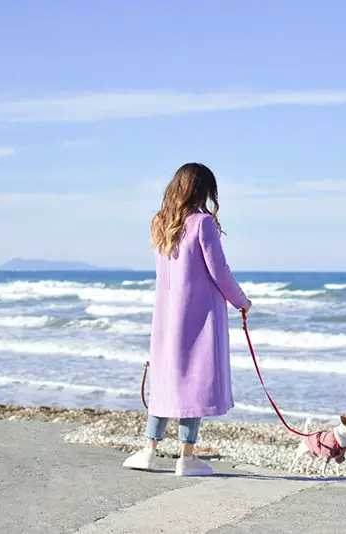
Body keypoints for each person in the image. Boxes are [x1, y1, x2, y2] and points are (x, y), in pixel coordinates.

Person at [122, 162, 252, 477]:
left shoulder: (160, 223)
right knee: (192, 381)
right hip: (198, 314)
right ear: (203, 190)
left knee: (166, 381)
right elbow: (219, 271)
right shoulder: (202, 224)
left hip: (167, 316)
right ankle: (186, 456)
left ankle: (149, 450)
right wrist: (241, 301)